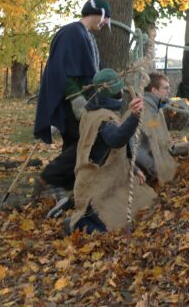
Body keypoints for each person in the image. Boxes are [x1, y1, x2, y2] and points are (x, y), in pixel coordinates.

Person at [33, 0, 111, 213]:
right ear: (99, 13)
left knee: (75, 144)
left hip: (85, 102)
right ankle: (49, 179)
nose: (105, 25)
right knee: (90, 141)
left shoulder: (87, 37)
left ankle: (65, 191)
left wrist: (113, 82)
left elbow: (94, 71)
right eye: (106, 19)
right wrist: (75, 97)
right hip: (72, 103)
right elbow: (63, 69)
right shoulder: (71, 33)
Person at [65, 68, 156, 234]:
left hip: (113, 178)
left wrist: (133, 169)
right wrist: (134, 117)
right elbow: (115, 139)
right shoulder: (102, 118)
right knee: (113, 226)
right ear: (116, 93)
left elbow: (112, 150)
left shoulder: (92, 109)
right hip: (97, 186)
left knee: (147, 201)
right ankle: (78, 223)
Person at [136, 72, 177, 185]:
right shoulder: (144, 111)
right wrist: (156, 170)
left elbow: (161, 137)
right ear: (154, 90)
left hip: (156, 165)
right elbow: (137, 151)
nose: (168, 91)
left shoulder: (156, 108)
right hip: (144, 173)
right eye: (165, 88)